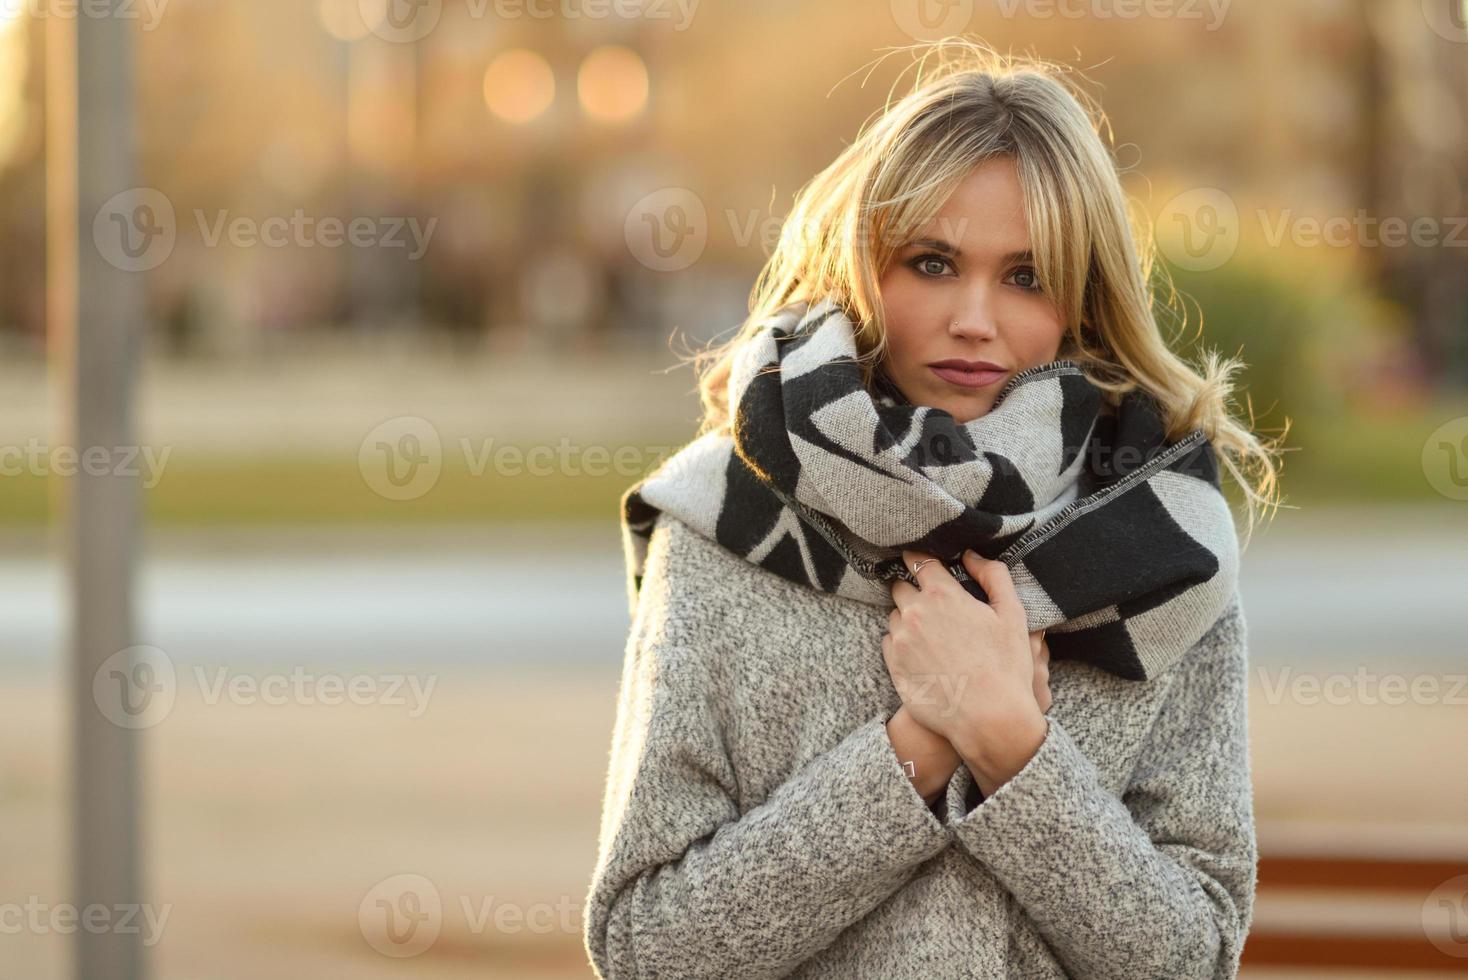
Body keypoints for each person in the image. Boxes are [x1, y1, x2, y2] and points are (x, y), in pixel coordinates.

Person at [583, 37, 1284, 980]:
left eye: (1026, 276)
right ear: (865, 264)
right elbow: (646, 946)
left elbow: (1192, 961)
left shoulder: (1163, 543)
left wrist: (1010, 743)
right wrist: (916, 749)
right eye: (932, 262)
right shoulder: (727, 523)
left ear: (1083, 296)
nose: (975, 318)